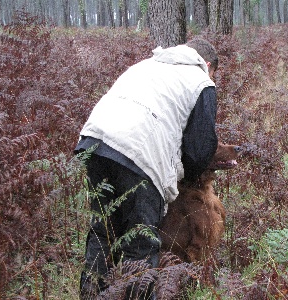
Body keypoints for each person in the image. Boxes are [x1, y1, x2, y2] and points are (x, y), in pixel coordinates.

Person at [76, 38, 219, 299]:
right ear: (207, 65)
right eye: (214, 74)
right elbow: (200, 149)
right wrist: (188, 179)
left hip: (93, 142)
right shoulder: (202, 82)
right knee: (140, 246)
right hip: (138, 155)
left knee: (103, 233)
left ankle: (91, 295)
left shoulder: (145, 65)